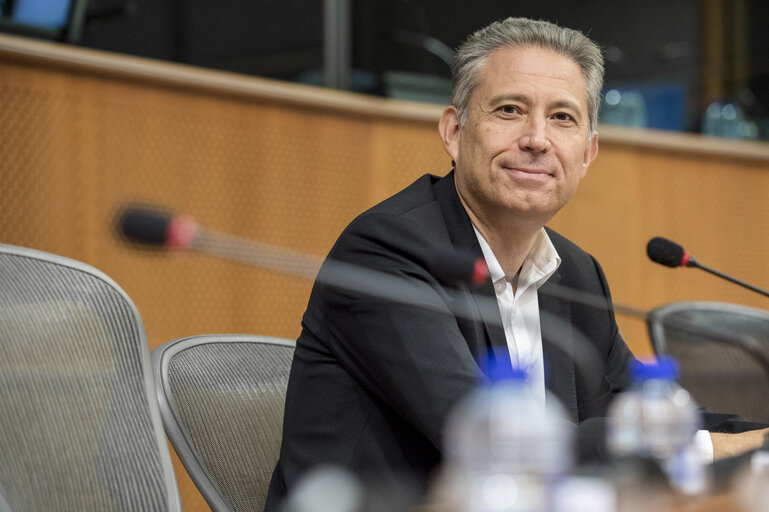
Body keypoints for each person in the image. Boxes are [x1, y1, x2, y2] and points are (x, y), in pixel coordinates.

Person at [265, 17, 767, 510]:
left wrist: (756, 440)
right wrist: (709, 451)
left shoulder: (574, 272)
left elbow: (639, 409)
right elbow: (496, 445)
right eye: (509, 110)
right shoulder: (388, 250)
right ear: (454, 132)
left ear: (588, 153)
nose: (537, 139)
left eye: (563, 118)